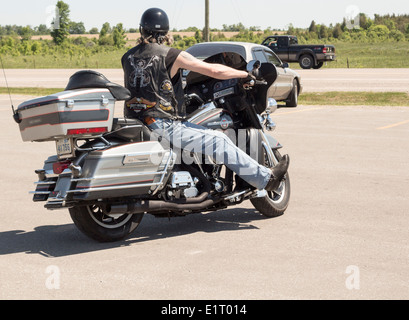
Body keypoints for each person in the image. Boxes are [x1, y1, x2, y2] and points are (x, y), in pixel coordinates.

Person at [121, 8, 289, 192]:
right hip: (162, 123)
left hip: (136, 121)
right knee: (220, 140)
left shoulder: (127, 57)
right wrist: (245, 74)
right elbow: (214, 71)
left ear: (141, 30)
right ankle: (267, 179)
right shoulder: (170, 55)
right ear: (166, 33)